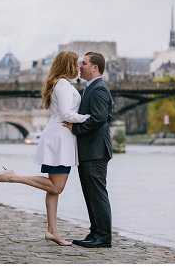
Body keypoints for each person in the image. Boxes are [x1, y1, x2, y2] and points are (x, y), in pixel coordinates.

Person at [0, 51, 90, 246]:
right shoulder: (63, 85)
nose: (78, 68)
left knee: (52, 190)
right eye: (76, 64)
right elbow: (67, 113)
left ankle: (52, 231)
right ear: (68, 65)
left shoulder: (59, 83)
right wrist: (88, 118)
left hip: (58, 137)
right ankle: (10, 176)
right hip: (61, 139)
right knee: (56, 186)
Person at [62, 51, 114, 248]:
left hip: (95, 151)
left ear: (94, 67)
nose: (79, 66)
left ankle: (103, 237)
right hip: (89, 150)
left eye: (83, 63)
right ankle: (95, 232)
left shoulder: (99, 89)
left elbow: (99, 118)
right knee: (90, 193)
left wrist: (75, 128)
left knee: (97, 194)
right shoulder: (91, 88)